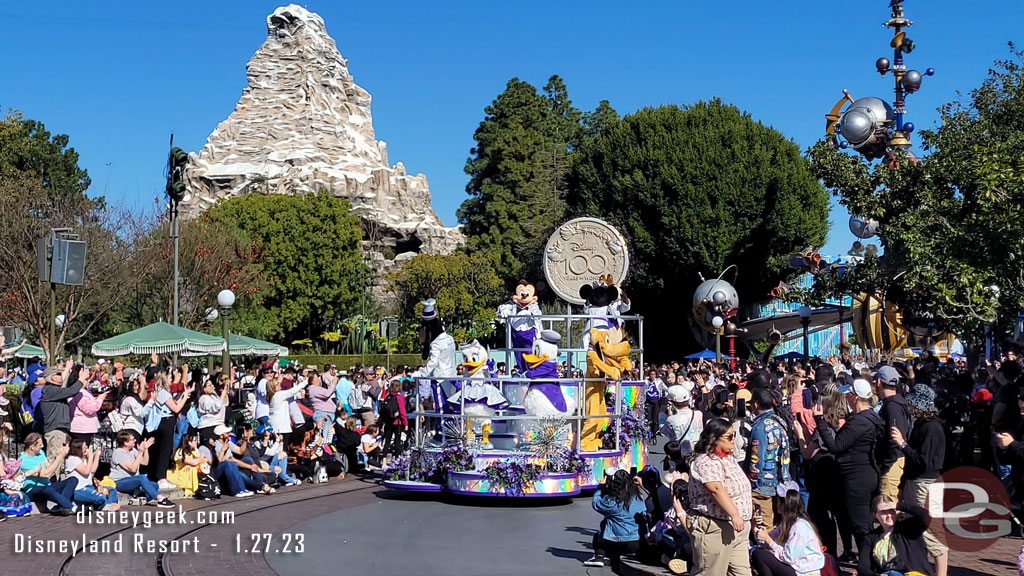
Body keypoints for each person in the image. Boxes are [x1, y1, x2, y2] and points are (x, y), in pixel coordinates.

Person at [814, 378, 884, 561]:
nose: (846, 398)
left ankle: (867, 564)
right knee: (863, 523)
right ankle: (867, 562)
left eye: (849, 395)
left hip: (857, 478)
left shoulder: (860, 421)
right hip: (866, 474)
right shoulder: (870, 418)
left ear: (855, 397)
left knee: (861, 526)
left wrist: (819, 421)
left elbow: (836, 446)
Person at [892, 384, 948, 576]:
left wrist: (903, 444)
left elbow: (923, 461)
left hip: (925, 483)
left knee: (931, 530)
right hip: (915, 482)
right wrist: (902, 484)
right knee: (915, 526)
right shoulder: (923, 425)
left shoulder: (932, 427)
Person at [686, 418, 752, 576]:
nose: (733, 439)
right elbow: (716, 489)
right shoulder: (706, 461)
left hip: (737, 529)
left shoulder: (728, 458)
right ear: (714, 439)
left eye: (733, 435)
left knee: (741, 573)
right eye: (729, 436)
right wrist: (734, 514)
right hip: (715, 527)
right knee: (711, 572)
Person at [744, 387, 791, 531]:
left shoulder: (760, 427)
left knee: (765, 526)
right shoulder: (780, 421)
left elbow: (757, 459)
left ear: (756, 405)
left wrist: (752, 480)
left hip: (762, 485)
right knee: (777, 523)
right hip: (779, 480)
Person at [752, 488, 825, 576]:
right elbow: (766, 542)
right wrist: (755, 528)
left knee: (760, 555)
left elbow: (789, 557)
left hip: (804, 572)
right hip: (794, 567)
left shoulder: (799, 526)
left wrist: (768, 541)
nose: (776, 504)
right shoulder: (786, 523)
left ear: (784, 505)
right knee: (759, 552)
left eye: (778, 502)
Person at [584, 468, 647, 570]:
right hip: (637, 541)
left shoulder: (612, 502)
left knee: (605, 524)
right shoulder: (639, 498)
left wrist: (600, 487)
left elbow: (596, 504)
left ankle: (599, 556)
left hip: (618, 542)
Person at [858, 495, 935, 576]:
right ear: (875, 515)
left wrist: (899, 505)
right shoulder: (870, 538)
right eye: (883, 512)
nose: (888, 515)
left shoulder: (907, 527)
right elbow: (863, 566)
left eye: (891, 510)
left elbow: (927, 517)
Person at [147, 372, 195, 486]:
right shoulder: (163, 393)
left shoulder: (161, 392)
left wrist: (184, 394)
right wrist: (185, 398)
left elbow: (173, 403)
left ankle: (159, 476)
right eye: (170, 378)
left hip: (165, 422)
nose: (171, 381)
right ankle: (161, 478)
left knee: (162, 449)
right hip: (166, 422)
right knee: (165, 450)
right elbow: (176, 408)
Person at [875, 365, 911, 502]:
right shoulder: (895, 403)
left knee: (888, 507)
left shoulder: (892, 406)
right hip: (894, 461)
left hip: (892, 465)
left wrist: (884, 466)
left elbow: (894, 439)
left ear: (879, 382)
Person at [109, 430, 173, 507]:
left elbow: (145, 462)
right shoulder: (119, 453)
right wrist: (140, 452)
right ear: (125, 443)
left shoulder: (132, 451)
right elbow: (132, 469)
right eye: (132, 439)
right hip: (119, 481)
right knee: (142, 478)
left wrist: (145, 449)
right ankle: (160, 499)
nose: (135, 440)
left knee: (155, 485)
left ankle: (140, 498)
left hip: (133, 481)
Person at [20, 432, 77, 515]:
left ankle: (61, 506)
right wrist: (60, 457)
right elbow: (46, 474)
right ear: (32, 447)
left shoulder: (40, 453)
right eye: (40, 445)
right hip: (33, 490)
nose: (42, 446)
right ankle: (73, 508)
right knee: (46, 488)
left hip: (47, 486)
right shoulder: (23, 461)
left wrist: (57, 456)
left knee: (73, 480)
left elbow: (50, 468)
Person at [38, 364, 82, 466]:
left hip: (58, 430)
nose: (61, 376)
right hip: (55, 431)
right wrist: (81, 380)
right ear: (52, 377)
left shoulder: (54, 389)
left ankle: (54, 480)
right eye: (59, 374)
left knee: (57, 459)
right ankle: (52, 481)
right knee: (55, 459)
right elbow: (71, 391)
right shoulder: (50, 390)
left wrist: (67, 368)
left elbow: (65, 387)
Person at [66, 439, 119, 510]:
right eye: (84, 447)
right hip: (79, 490)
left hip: (90, 487)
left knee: (111, 490)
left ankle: (108, 504)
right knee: (101, 497)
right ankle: (105, 505)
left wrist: (96, 456)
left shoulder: (83, 459)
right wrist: (90, 457)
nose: (86, 449)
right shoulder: (72, 459)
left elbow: (92, 470)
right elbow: (86, 472)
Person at [661, 382, 703, 461]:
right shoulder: (698, 414)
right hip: (697, 454)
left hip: (680, 455)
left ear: (671, 402)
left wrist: (662, 413)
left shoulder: (672, 420)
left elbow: (663, 431)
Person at [167, 430, 203, 497]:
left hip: (185, 473)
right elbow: (194, 462)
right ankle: (191, 490)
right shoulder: (180, 452)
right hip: (178, 474)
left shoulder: (194, 450)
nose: (196, 442)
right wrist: (201, 457)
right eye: (194, 441)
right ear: (189, 442)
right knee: (192, 468)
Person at [380, 380, 408, 462]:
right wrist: (405, 423)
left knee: (387, 441)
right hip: (397, 422)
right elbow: (402, 412)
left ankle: (384, 459)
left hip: (388, 421)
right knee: (397, 441)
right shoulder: (399, 398)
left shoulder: (387, 397)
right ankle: (396, 458)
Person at [197, 374, 230, 445]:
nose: (212, 386)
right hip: (209, 426)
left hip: (218, 424)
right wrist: (222, 395)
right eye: (209, 385)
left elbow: (224, 404)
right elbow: (216, 407)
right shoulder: (203, 399)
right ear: (204, 388)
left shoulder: (214, 396)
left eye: (212, 384)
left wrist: (225, 395)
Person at [645, 369, 668, 443]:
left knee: (655, 419)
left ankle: (654, 434)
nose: (652, 376)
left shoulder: (658, 381)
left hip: (656, 401)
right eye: (651, 374)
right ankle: (649, 433)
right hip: (648, 401)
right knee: (649, 419)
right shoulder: (646, 381)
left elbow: (666, 389)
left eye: (654, 374)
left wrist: (666, 396)